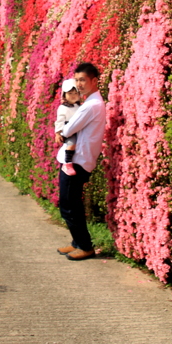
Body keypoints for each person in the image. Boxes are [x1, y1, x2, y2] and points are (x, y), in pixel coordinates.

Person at [54, 62, 106, 261]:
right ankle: (77, 242)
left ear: (94, 81)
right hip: (78, 159)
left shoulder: (91, 106)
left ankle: (85, 246)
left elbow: (68, 130)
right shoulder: (89, 104)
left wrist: (63, 130)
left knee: (69, 205)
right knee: (70, 204)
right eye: (76, 80)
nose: (79, 84)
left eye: (83, 80)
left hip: (78, 161)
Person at [54, 78, 81, 176]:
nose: (73, 96)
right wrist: (58, 133)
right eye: (70, 93)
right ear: (64, 95)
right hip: (68, 130)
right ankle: (67, 163)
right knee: (72, 143)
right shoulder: (63, 108)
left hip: (78, 128)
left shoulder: (79, 107)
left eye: (75, 93)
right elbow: (59, 121)